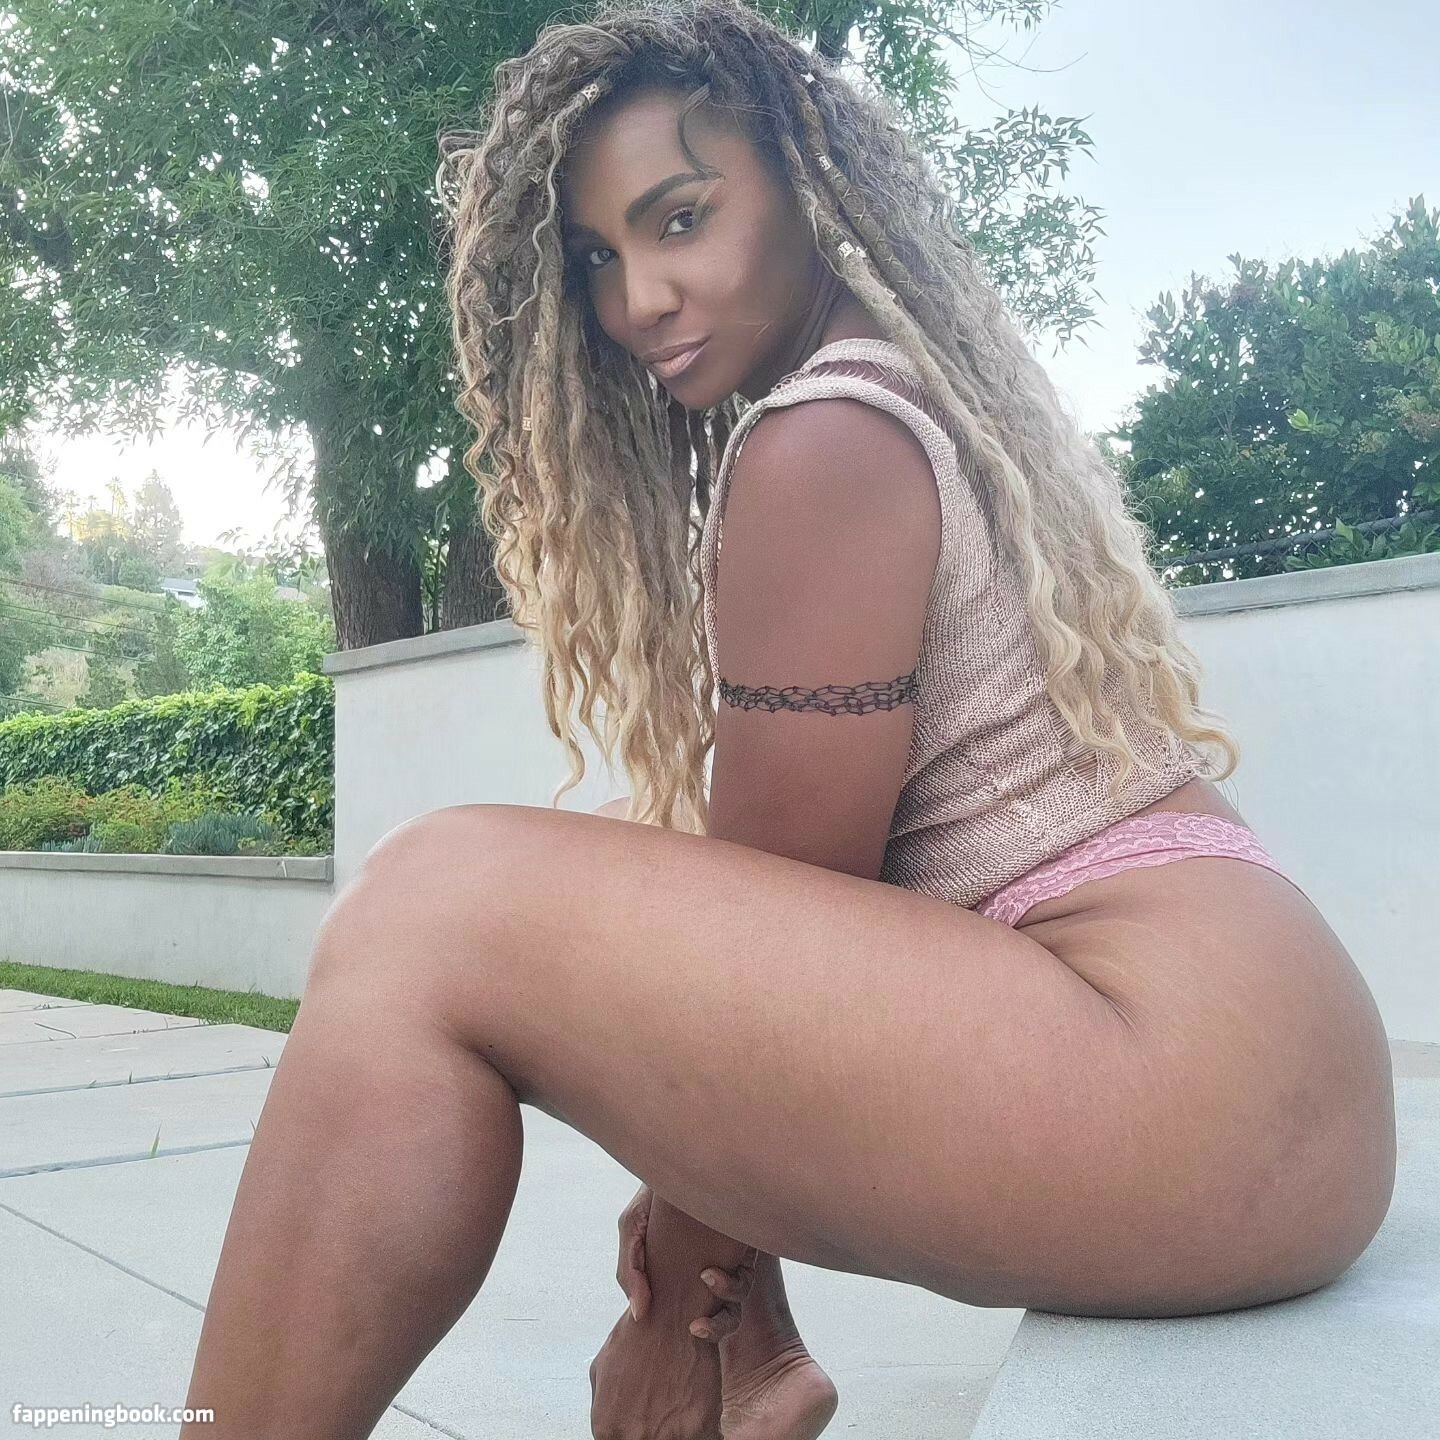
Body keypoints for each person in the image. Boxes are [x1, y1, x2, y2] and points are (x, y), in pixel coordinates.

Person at [180, 2, 1397, 1436]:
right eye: (598, 258)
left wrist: (669, 1311)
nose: (639, 298)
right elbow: (772, 951)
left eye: (680, 218)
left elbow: (782, 897)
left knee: (423, 907)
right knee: (531, 879)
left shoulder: (826, 436)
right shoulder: (905, 393)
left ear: (806, 189)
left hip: (1194, 1094)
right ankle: (744, 1362)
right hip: (1269, 1075)